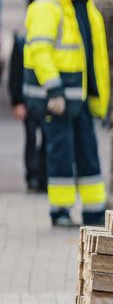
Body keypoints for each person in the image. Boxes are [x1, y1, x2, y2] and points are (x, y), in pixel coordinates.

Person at [23, 0, 109, 227]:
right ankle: (60, 211)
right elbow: (40, 52)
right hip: (57, 98)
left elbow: (96, 57)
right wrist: (54, 90)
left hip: (79, 96)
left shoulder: (86, 7)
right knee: (61, 153)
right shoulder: (47, 7)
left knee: (88, 152)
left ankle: (95, 211)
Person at [9, 32, 46, 192]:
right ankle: (32, 177)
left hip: (47, 102)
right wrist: (17, 102)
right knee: (31, 138)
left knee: (48, 139)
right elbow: (15, 74)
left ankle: (44, 177)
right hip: (28, 102)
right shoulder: (22, 41)